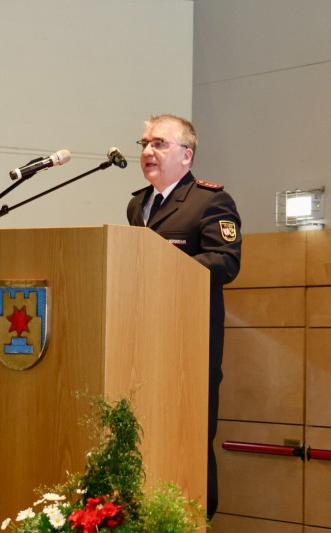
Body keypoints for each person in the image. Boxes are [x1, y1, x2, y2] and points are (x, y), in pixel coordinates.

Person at [127, 113, 242, 518]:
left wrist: (165, 268)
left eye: (159, 143)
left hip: (189, 345)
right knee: (144, 437)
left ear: (186, 155)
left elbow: (225, 262)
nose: (148, 150)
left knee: (189, 438)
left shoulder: (210, 201)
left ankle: (197, 519)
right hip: (143, 341)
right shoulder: (137, 204)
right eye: (144, 143)